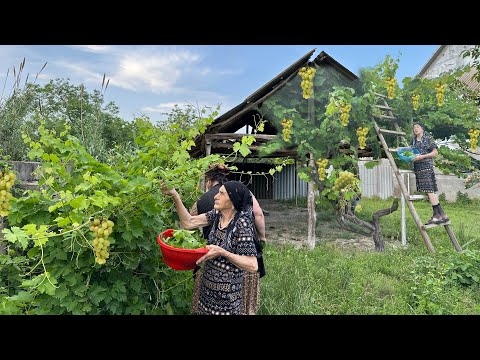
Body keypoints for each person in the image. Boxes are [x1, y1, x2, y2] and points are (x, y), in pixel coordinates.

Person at [161, 180, 261, 315]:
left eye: (221, 194)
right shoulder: (217, 215)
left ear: (232, 200)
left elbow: (252, 265)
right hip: (207, 294)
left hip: (227, 302)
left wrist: (223, 252)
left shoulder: (241, 224)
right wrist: (175, 196)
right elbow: (188, 222)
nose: (215, 196)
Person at [190, 163, 267, 244]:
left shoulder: (200, 200)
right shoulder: (240, 191)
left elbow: (191, 222)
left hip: (211, 247)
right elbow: (258, 214)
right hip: (241, 245)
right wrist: (262, 238)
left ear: (208, 181)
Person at [408, 122, 449, 225]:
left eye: (418, 127)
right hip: (418, 168)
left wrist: (422, 156)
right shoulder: (413, 141)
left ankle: (437, 216)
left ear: (422, 128)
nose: (415, 129)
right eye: (414, 128)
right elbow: (410, 152)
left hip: (426, 166)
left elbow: (435, 153)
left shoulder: (428, 138)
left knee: (430, 190)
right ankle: (442, 215)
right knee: (430, 191)